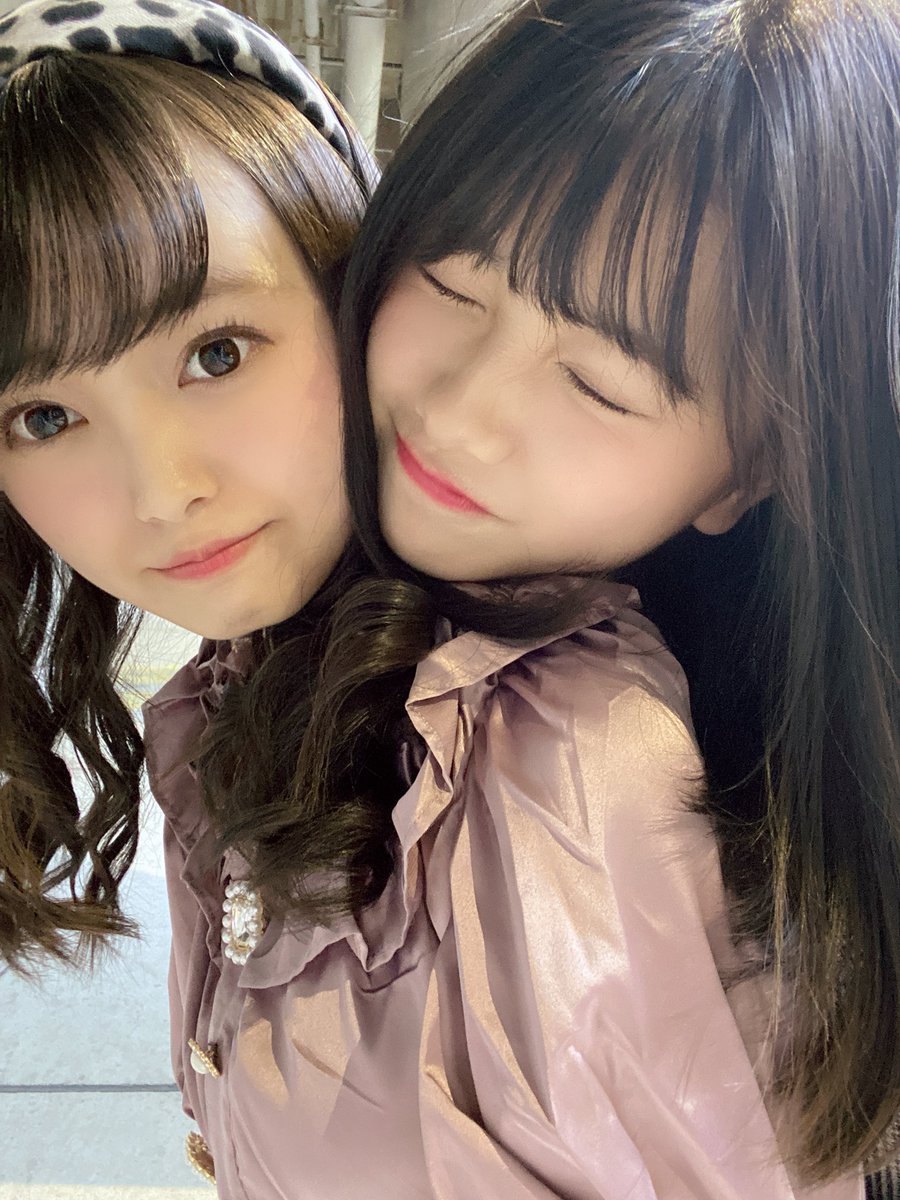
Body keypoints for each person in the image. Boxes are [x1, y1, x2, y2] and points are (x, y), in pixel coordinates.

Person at [0, 3, 893, 1200]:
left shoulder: (566, 770)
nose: (458, 414)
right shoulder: (276, 668)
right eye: (455, 286)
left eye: (217, 351)